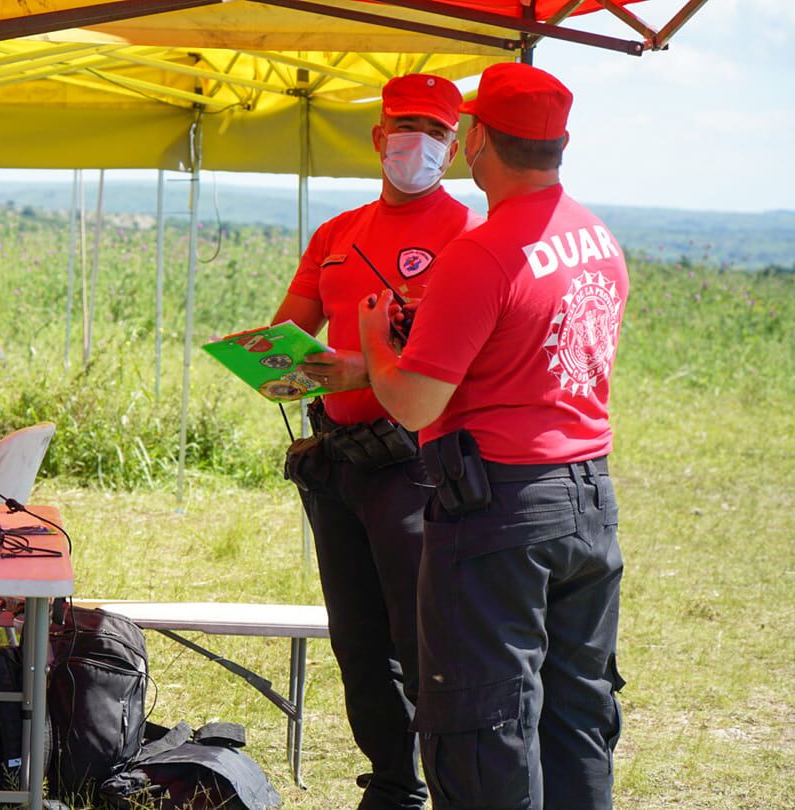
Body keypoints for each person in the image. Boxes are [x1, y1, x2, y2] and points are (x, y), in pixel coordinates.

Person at [358, 63, 627, 810]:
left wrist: (378, 342)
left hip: (498, 510)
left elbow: (412, 403)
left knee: (484, 725)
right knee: (576, 716)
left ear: (477, 140)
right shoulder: (596, 237)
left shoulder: (482, 252)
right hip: (588, 498)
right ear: (560, 145)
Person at [274, 73, 480, 810]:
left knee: (425, 641)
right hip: (336, 460)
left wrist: (373, 363)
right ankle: (392, 787)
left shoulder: (467, 237)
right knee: (357, 643)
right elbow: (289, 330)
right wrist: (277, 364)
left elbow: (461, 359)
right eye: (403, 127)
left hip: (413, 463)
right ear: (377, 137)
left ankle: (454, 786)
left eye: (433, 131)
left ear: (455, 149)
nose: (414, 144)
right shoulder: (336, 234)